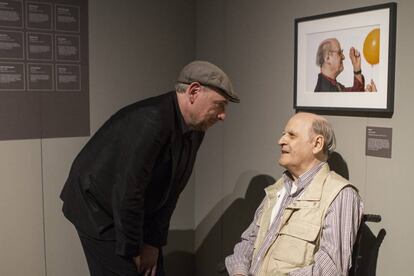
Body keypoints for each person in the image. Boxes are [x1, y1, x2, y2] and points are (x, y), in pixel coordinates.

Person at [60, 60, 240, 276]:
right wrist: (133, 251)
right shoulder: (151, 121)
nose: (222, 115)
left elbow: (172, 190)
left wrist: (153, 243)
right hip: (97, 206)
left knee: (152, 269)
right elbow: (128, 192)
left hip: (129, 206)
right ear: (193, 92)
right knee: (126, 270)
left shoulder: (196, 128)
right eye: (219, 104)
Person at [225, 112, 363, 276]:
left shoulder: (340, 195)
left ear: (317, 144)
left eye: (291, 135)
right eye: (283, 134)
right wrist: (239, 272)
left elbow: (331, 268)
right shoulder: (278, 189)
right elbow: (249, 241)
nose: (281, 141)